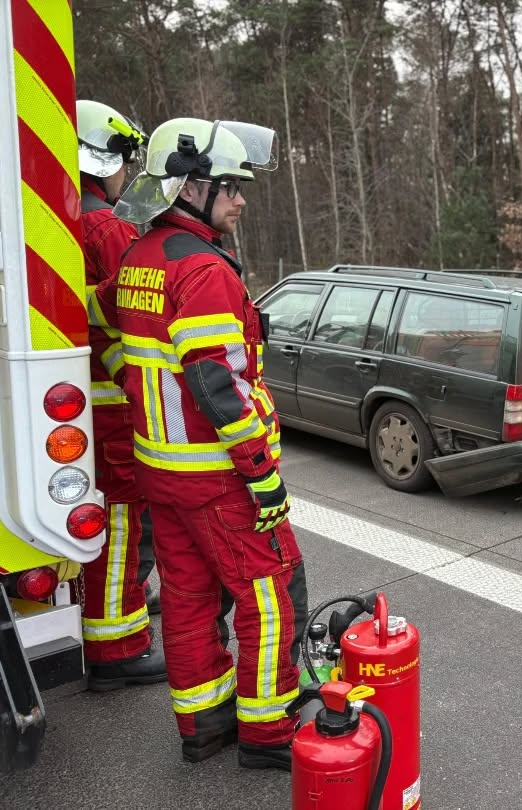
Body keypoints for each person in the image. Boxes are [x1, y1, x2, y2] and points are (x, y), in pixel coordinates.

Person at [89, 117, 307, 770]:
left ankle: (204, 725)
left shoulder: (138, 258)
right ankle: (268, 731)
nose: (240, 200)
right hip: (217, 476)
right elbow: (218, 386)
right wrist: (261, 472)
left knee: (187, 600)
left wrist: (131, 383)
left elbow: (102, 322)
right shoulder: (204, 269)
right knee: (270, 593)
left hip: (160, 473)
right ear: (190, 187)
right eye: (230, 187)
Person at [75, 99, 167, 690]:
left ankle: (126, 602)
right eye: (124, 162)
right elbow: (132, 308)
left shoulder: (58, 222)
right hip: (112, 404)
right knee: (119, 523)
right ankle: (117, 649)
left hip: (88, 399)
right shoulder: (105, 227)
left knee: (113, 523)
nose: (127, 173)